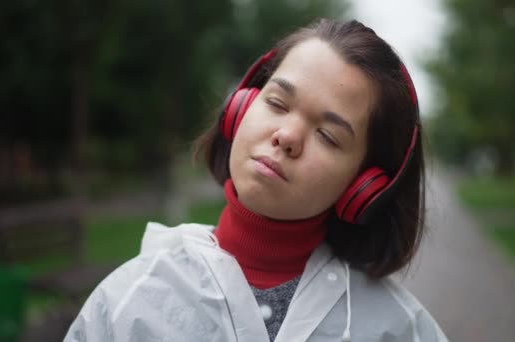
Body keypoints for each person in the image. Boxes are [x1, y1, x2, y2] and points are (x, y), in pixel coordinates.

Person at [64, 18, 448, 342]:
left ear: (364, 187)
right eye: (277, 104)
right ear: (240, 108)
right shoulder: (126, 304)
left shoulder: (397, 329)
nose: (287, 136)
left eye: (328, 136)